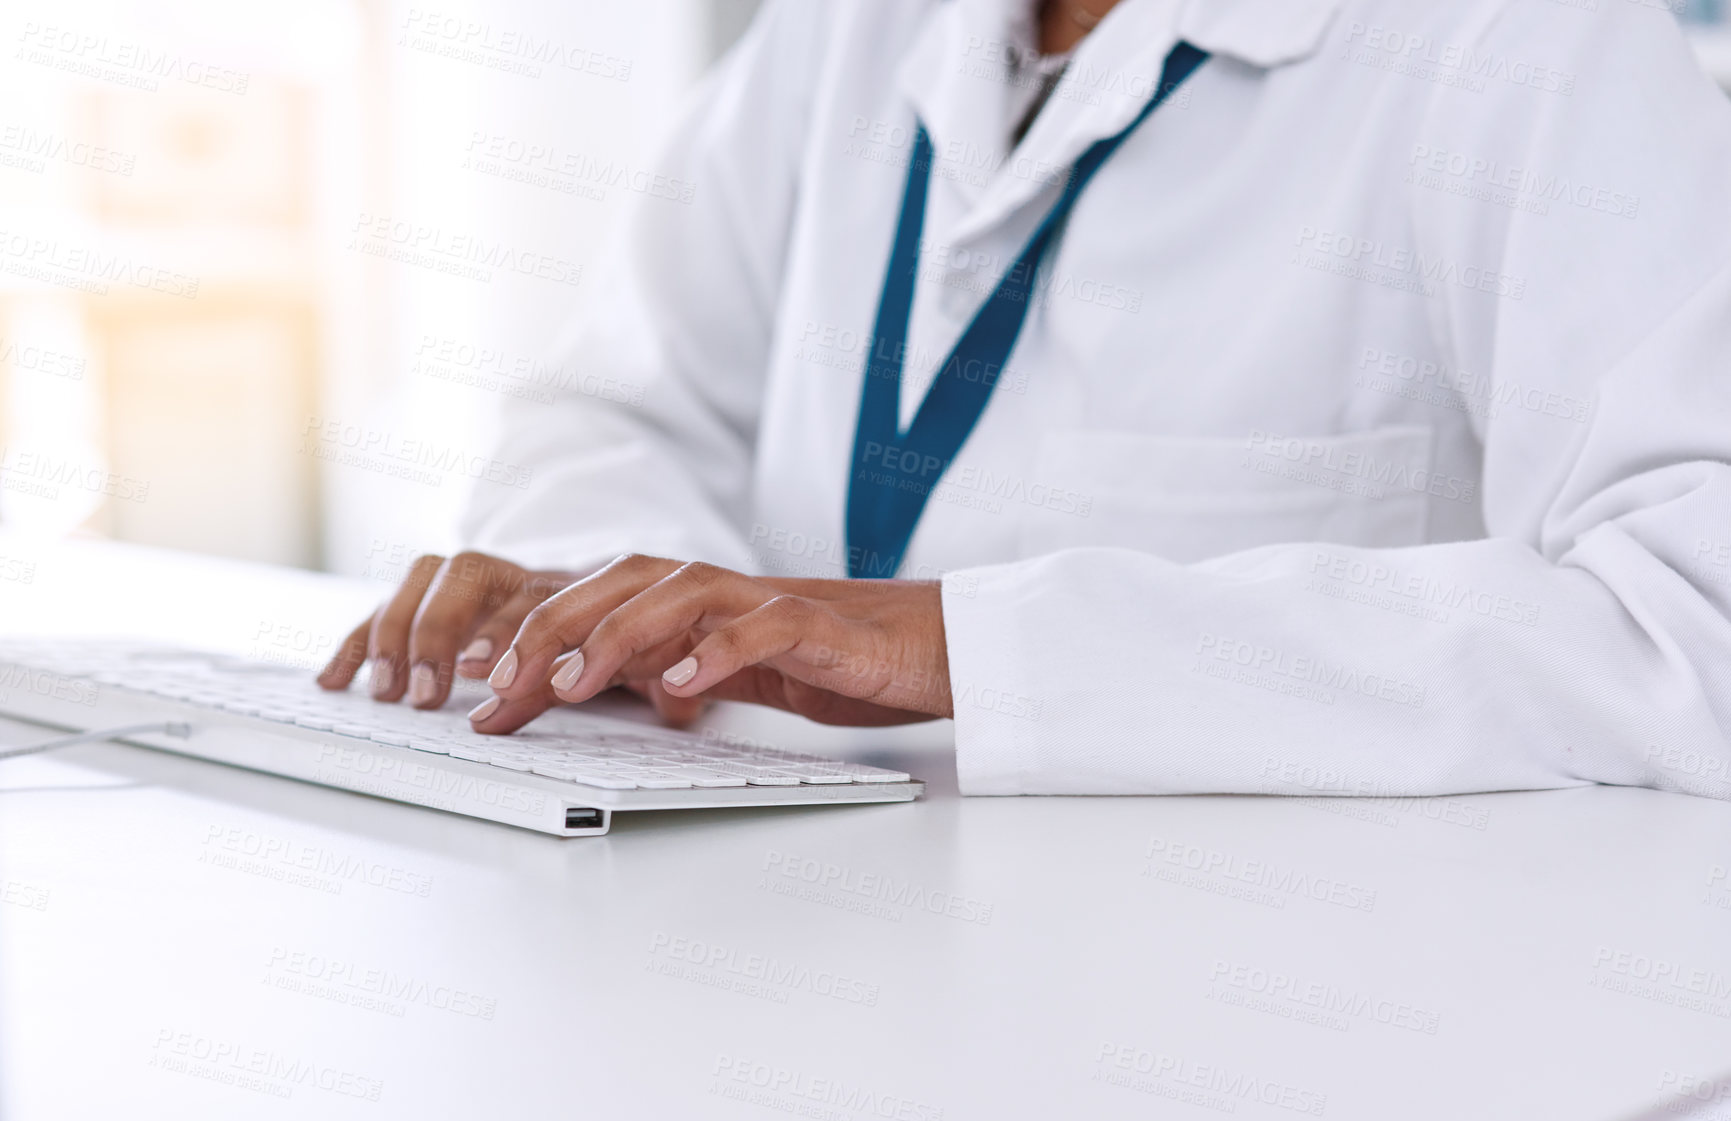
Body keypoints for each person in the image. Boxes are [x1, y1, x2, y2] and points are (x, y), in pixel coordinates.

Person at [320, 0, 1731, 801]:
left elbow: (1691, 633)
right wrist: (608, 605)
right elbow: (622, 408)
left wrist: (961, 647)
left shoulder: (1531, 44)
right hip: (796, 949)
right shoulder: (848, 30)